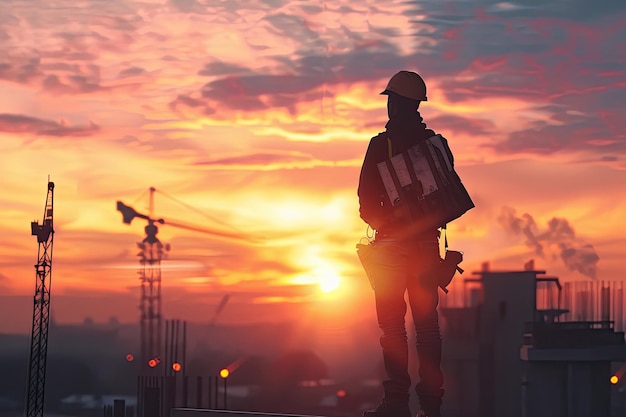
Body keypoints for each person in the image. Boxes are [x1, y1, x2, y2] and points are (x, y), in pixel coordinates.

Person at [357, 71, 448, 417]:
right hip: (426, 248)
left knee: (393, 327)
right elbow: (446, 199)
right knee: (428, 328)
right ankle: (432, 406)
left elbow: (366, 203)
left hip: (392, 248)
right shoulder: (437, 145)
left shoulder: (381, 145)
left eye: (391, 99)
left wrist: (390, 228)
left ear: (396, 103)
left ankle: (396, 404)